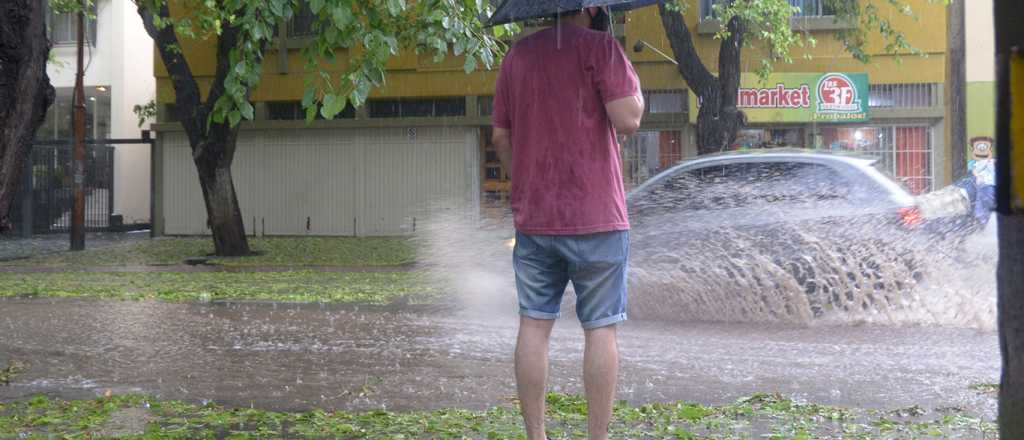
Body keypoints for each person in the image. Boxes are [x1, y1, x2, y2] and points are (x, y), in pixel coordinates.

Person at [490, 7, 644, 440]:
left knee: (534, 325)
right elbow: (629, 118)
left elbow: (501, 137)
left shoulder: (517, 57)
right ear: (591, 6)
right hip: (598, 216)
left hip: (536, 219)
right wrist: (630, 79)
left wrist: (524, 181)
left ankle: (536, 436)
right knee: (600, 329)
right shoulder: (602, 48)